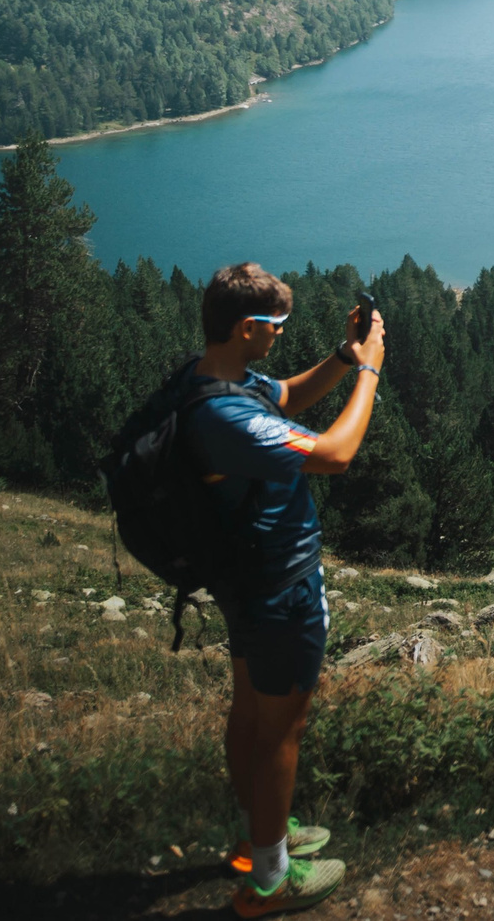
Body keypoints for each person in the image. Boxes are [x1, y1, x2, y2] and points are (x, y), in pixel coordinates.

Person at [169, 261, 387, 917]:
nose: (280, 336)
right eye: (275, 326)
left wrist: (342, 356)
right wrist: (372, 370)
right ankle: (269, 880)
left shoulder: (212, 376)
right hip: (278, 586)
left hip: (245, 576)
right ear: (246, 327)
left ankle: (259, 832)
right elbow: (335, 453)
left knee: (251, 711)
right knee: (281, 731)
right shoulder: (225, 418)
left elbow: (283, 397)